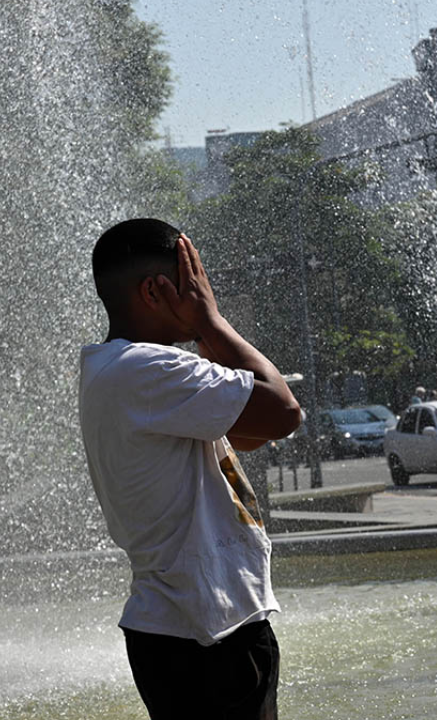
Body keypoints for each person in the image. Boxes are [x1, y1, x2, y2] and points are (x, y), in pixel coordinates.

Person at [78, 219, 300, 720]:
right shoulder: (146, 369)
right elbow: (285, 413)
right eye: (193, 281)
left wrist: (205, 336)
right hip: (209, 633)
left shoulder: (118, 370)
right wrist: (212, 323)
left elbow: (250, 433)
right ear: (157, 290)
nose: (202, 292)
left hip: (180, 628)